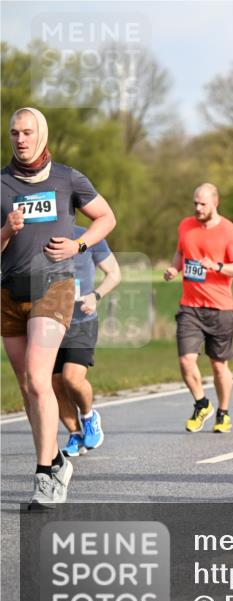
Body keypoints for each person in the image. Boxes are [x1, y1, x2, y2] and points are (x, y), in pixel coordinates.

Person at [2, 107, 116, 508]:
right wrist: (6, 231)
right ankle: (55, 463)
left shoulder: (67, 178)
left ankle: (45, 472)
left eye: (27, 132)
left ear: (41, 134)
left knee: (38, 378)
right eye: (14, 132)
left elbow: (106, 217)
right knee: (28, 388)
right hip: (8, 294)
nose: (20, 139)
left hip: (55, 287)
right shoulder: (1, 183)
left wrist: (78, 245)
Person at [163, 183, 233, 432]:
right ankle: (202, 404)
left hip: (220, 307)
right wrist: (173, 268)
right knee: (186, 360)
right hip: (190, 306)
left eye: (203, 204)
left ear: (215, 203)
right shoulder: (185, 226)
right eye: (195, 203)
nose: (198, 208)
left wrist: (218, 267)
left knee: (219, 365)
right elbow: (181, 253)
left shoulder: (230, 232)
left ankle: (223, 412)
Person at [55, 226, 121, 456]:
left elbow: (114, 273)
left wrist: (96, 295)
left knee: (71, 378)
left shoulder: (89, 235)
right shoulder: (40, 235)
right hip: (48, 322)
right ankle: (75, 434)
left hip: (82, 321)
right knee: (54, 385)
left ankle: (89, 416)